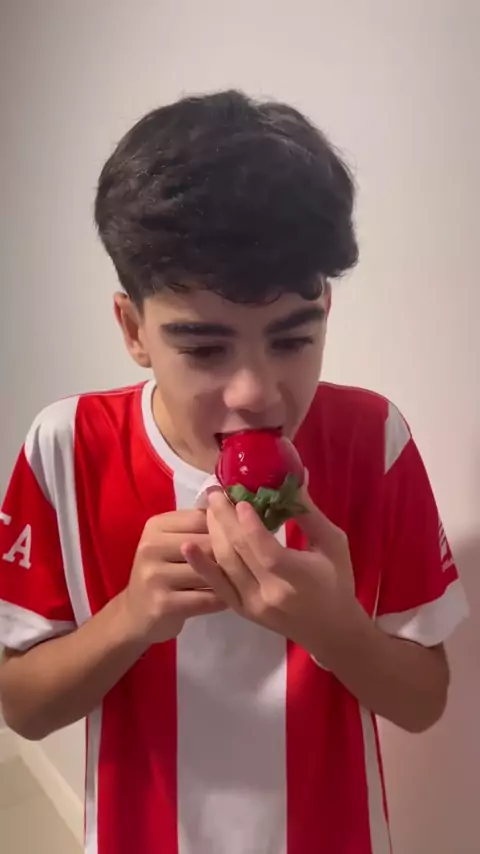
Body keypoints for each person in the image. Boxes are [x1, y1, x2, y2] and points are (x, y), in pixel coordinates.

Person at [0, 90, 468, 854]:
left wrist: (335, 630)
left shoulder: (374, 440)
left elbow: (424, 703)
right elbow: (22, 708)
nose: (255, 392)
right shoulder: (66, 447)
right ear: (133, 329)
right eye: (205, 348)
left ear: (325, 311)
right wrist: (129, 619)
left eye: (292, 340)